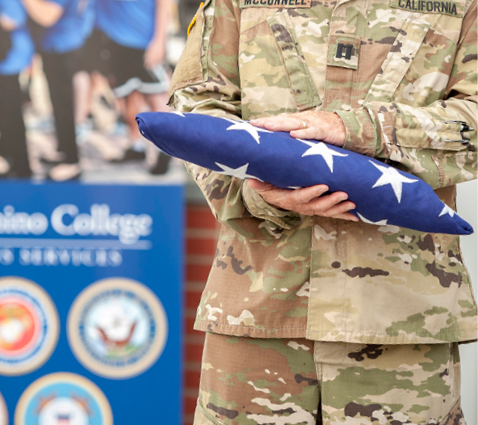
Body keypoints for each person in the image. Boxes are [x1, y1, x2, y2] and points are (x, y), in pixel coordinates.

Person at [170, 0, 477, 423]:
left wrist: (354, 129)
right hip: (256, 311)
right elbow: (195, 107)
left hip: (402, 323)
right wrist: (254, 196)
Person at [95, 0, 173, 174]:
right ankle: (136, 146)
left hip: (144, 38)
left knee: (156, 94)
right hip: (114, 38)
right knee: (127, 94)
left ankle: (165, 150)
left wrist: (159, 40)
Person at [22, 0, 93, 181]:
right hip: (55, 44)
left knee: (64, 106)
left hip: (64, 47)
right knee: (58, 105)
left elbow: (48, 16)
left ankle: (71, 162)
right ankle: (63, 152)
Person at [0, 0, 35, 179]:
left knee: (11, 111)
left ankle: (21, 167)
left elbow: (12, 18)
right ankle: (5, 146)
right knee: (2, 104)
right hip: (4, 55)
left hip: (10, 56)